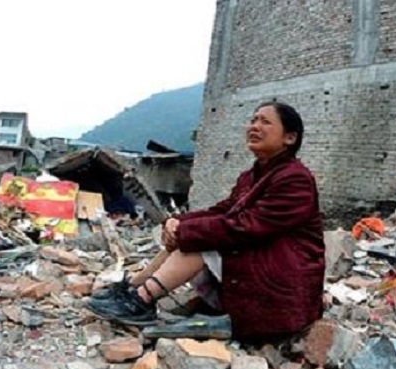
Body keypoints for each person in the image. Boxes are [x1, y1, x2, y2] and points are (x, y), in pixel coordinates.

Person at [87, 101, 326, 341]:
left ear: (290, 138)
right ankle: (134, 288)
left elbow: (247, 226)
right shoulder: (252, 175)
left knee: (201, 240)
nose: (254, 126)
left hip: (284, 284)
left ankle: (142, 300)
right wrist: (178, 221)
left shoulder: (295, 180)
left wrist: (186, 230)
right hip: (260, 264)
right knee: (192, 233)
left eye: (265, 121)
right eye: (253, 120)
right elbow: (222, 210)